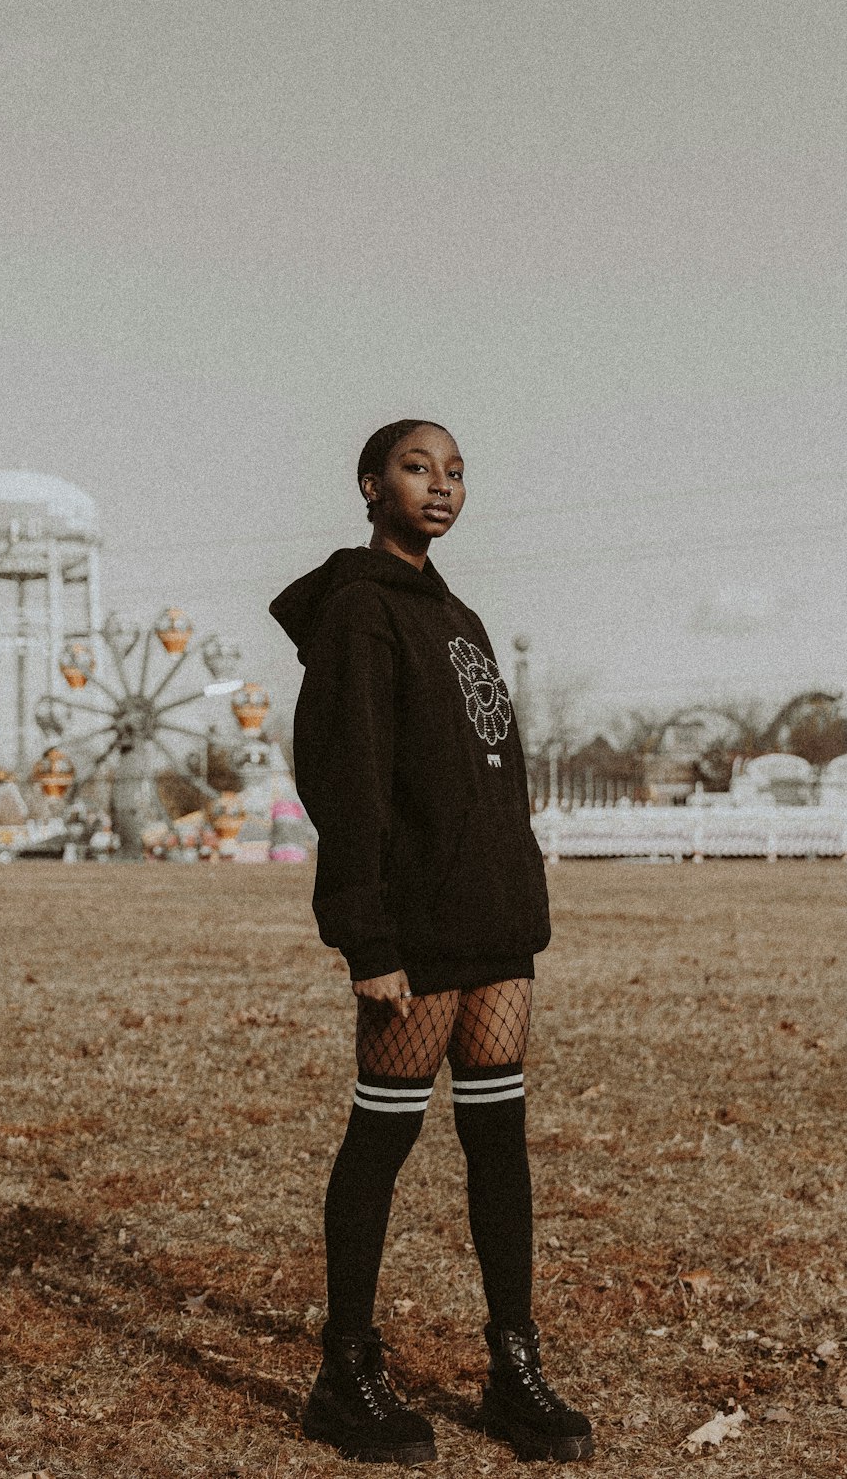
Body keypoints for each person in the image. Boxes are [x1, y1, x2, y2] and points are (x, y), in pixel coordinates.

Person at [269, 420, 594, 1466]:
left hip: (493, 926)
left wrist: (521, 889)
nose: (441, 485)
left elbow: (494, 769)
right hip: (412, 931)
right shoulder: (361, 612)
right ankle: (344, 1371)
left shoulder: (457, 614)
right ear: (370, 485)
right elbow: (346, 777)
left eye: (456, 470)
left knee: (499, 1143)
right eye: (418, 467)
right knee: (384, 1137)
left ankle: (511, 1367)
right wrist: (365, 935)